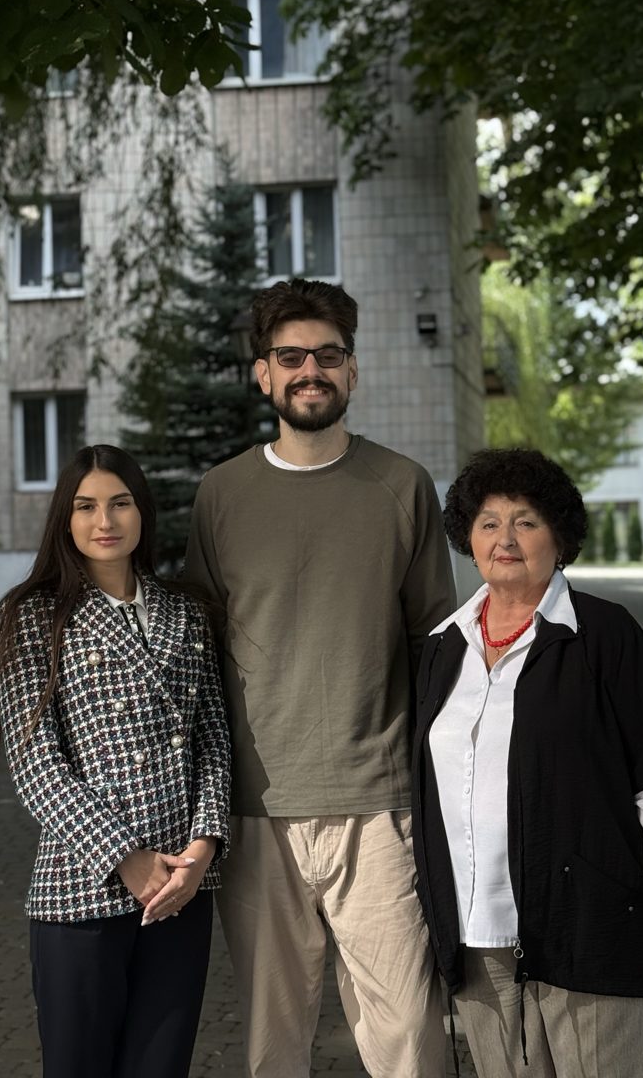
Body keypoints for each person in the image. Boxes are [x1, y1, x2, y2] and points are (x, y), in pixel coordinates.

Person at [184, 277, 458, 1078]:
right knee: (274, 1042)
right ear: (263, 374)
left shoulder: (401, 486)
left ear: (352, 370)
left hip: (379, 803)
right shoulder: (222, 493)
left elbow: (432, 644)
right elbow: (200, 649)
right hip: (257, 808)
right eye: (291, 356)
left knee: (411, 1035)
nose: (311, 370)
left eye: (328, 356)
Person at [412, 447, 643, 1077]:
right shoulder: (444, 648)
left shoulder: (606, 636)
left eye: (525, 521)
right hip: (480, 943)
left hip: (594, 929)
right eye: (489, 522)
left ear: (559, 538)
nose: (505, 539)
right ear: (468, 538)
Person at [0, 444, 230, 1078]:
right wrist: (125, 857)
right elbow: (35, 764)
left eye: (120, 503)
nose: (105, 521)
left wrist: (202, 848)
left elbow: (212, 738)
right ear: (65, 520)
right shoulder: (33, 616)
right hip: (81, 890)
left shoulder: (186, 612)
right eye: (86, 506)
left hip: (178, 890)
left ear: (141, 511)